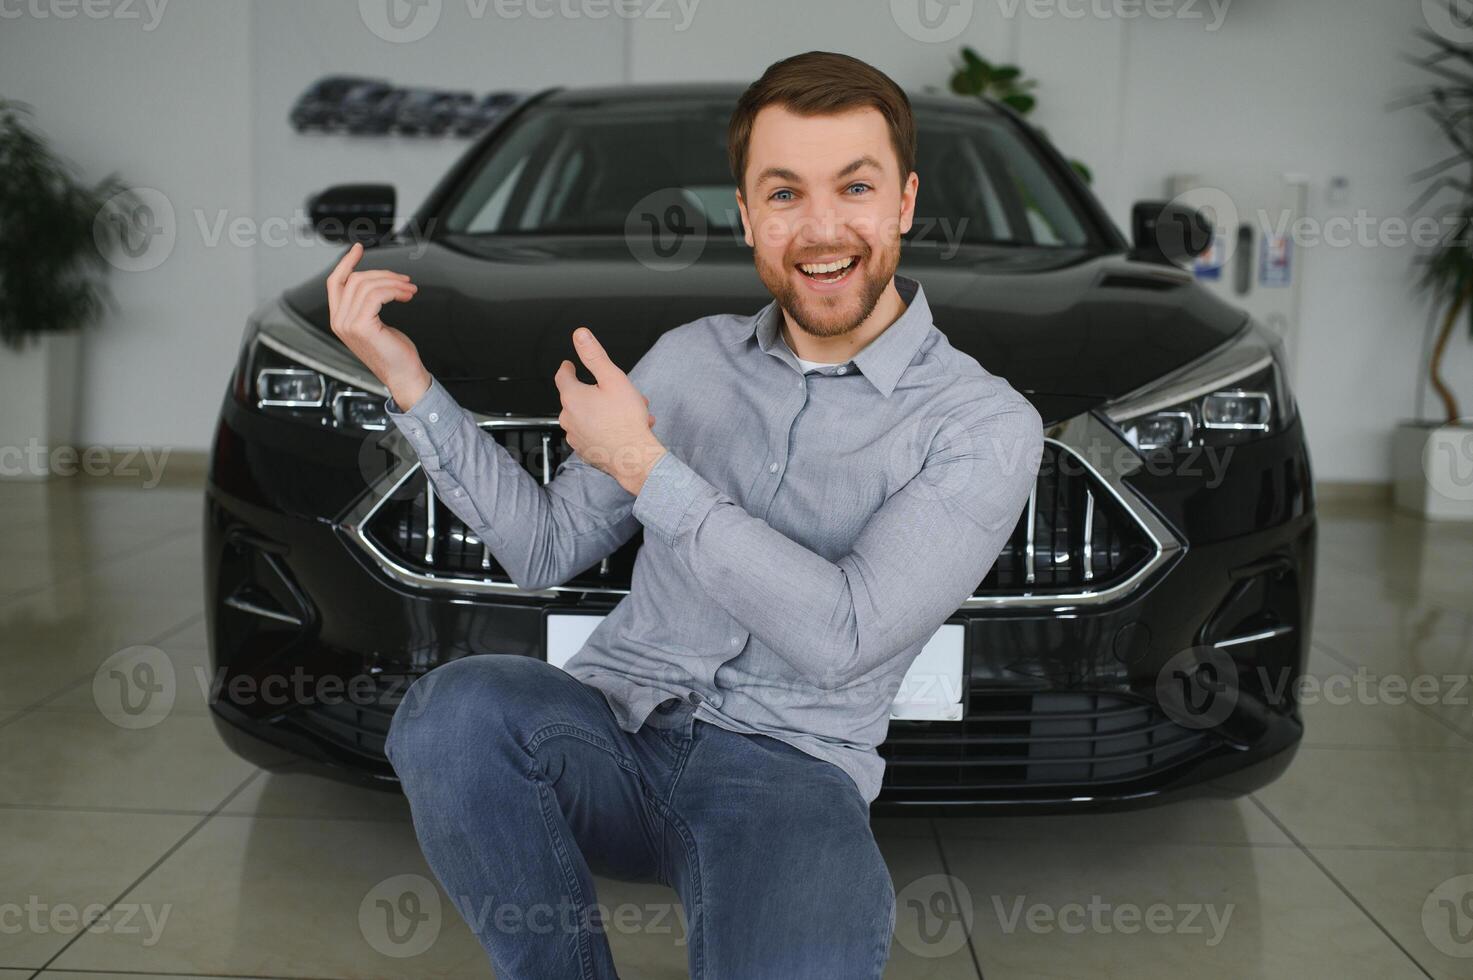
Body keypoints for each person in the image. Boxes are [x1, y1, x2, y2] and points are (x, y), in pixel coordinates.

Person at [325, 49, 1043, 980]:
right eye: (783, 194)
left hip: (791, 773)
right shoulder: (688, 359)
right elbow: (544, 546)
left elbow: (843, 634)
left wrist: (644, 464)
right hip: (614, 733)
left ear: (903, 202)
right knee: (452, 714)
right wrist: (407, 380)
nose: (822, 228)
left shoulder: (982, 422)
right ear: (746, 215)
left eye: (854, 188)